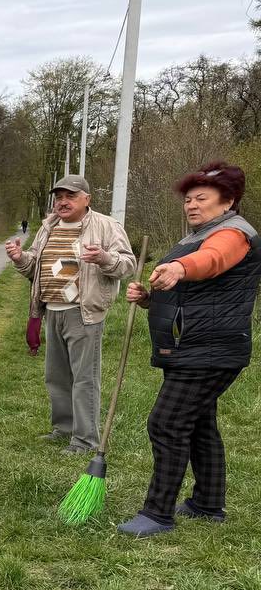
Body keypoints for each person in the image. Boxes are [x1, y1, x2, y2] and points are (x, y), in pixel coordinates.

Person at [118, 162, 261, 536]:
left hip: (210, 349)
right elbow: (195, 295)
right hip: (193, 345)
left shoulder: (233, 233)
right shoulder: (200, 232)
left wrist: (180, 267)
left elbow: (211, 261)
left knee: (166, 423)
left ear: (227, 200)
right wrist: (151, 299)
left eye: (202, 198)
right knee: (199, 424)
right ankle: (208, 503)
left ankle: (158, 513)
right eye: (188, 198)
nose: (191, 205)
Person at [7, 174, 136, 454]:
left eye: (70, 196)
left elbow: (128, 265)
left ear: (87, 199)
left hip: (83, 313)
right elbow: (35, 269)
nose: (63, 202)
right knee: (57, 377)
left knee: (84, 379)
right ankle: (63, 429)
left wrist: (103, 257)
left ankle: (85, 440)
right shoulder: (48, 226)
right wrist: (20, 259)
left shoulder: (105, 226)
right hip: (52, 311)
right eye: (59, 197)